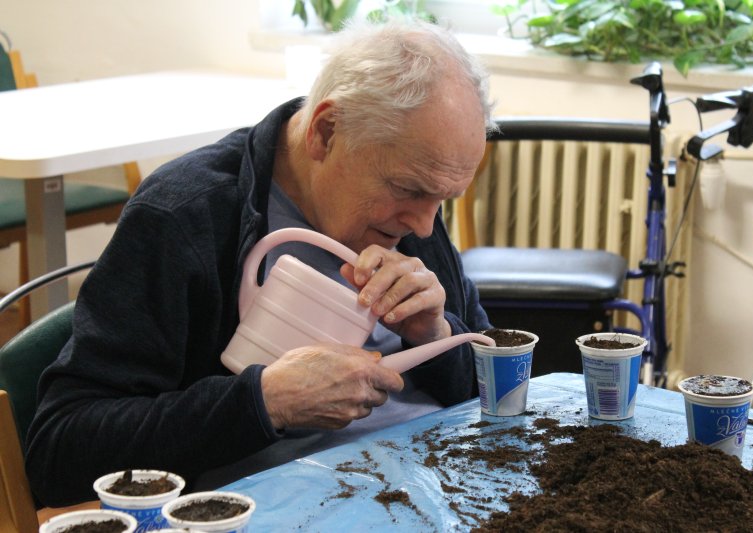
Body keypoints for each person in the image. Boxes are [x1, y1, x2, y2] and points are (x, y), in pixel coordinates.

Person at [26, 19, 495, 506]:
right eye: (407, 189)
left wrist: (436, 337)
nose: (424, 226)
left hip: (443, 484)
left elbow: (493, 383)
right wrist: (265, 402)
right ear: (326, 132)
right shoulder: (186, 215)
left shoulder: (412, 201)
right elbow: (59, 451)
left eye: (443, 199)